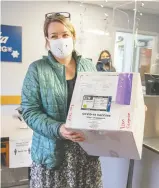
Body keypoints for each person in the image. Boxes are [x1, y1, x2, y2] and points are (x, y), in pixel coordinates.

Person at [21, 13, 102, 188]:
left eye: (65, 34)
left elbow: (103, 100)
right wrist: (59, 128)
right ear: (47, 40)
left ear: (73, 36)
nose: (60, 39)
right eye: (54, 36)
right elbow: (29, 111)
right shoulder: (37, 70)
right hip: (52, 156)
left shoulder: (88, 66)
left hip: (86, 154)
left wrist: (131, 107)